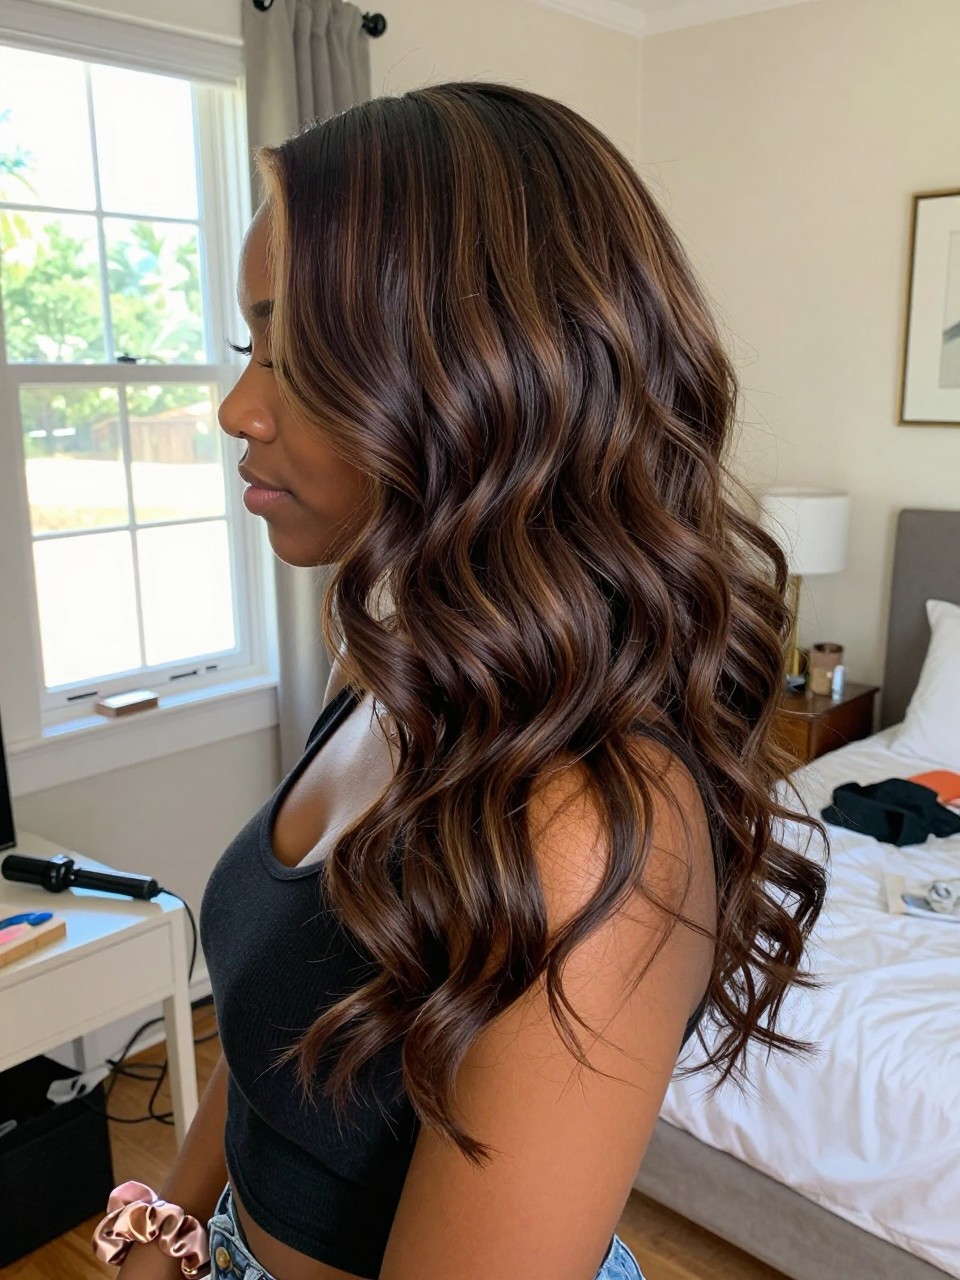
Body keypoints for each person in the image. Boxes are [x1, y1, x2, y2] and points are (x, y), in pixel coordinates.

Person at [92, 81, 828, 1280]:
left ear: (480, 374)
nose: (235, 408)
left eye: (297, 351)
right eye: (247, 343)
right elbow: (283, 1013)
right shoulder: (399, 672)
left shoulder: (594, 825)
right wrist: (162, 1230)